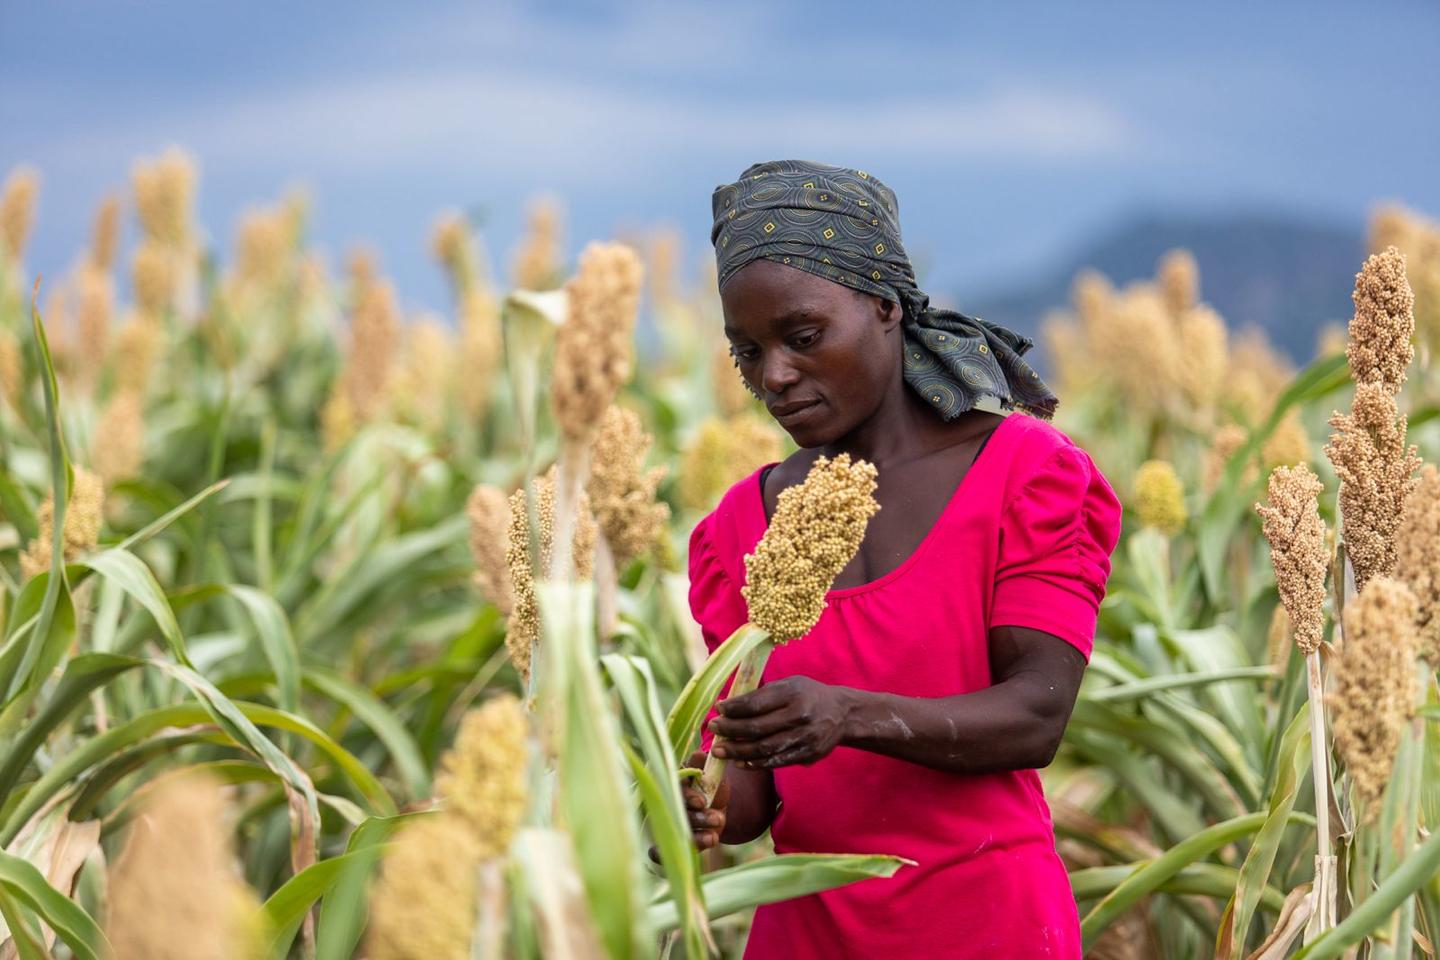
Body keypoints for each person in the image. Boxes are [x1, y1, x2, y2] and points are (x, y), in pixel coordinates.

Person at [683, 160, 1124, 959]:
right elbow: (747, 793)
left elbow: (1035, 716)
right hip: (804, 934)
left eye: (803, 337)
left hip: (990, 925)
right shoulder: (735, 531)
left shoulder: (1026, 475)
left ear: (886, 306)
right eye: (747, 353)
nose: (775, 376)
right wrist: (693, 802)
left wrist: (847, 714)